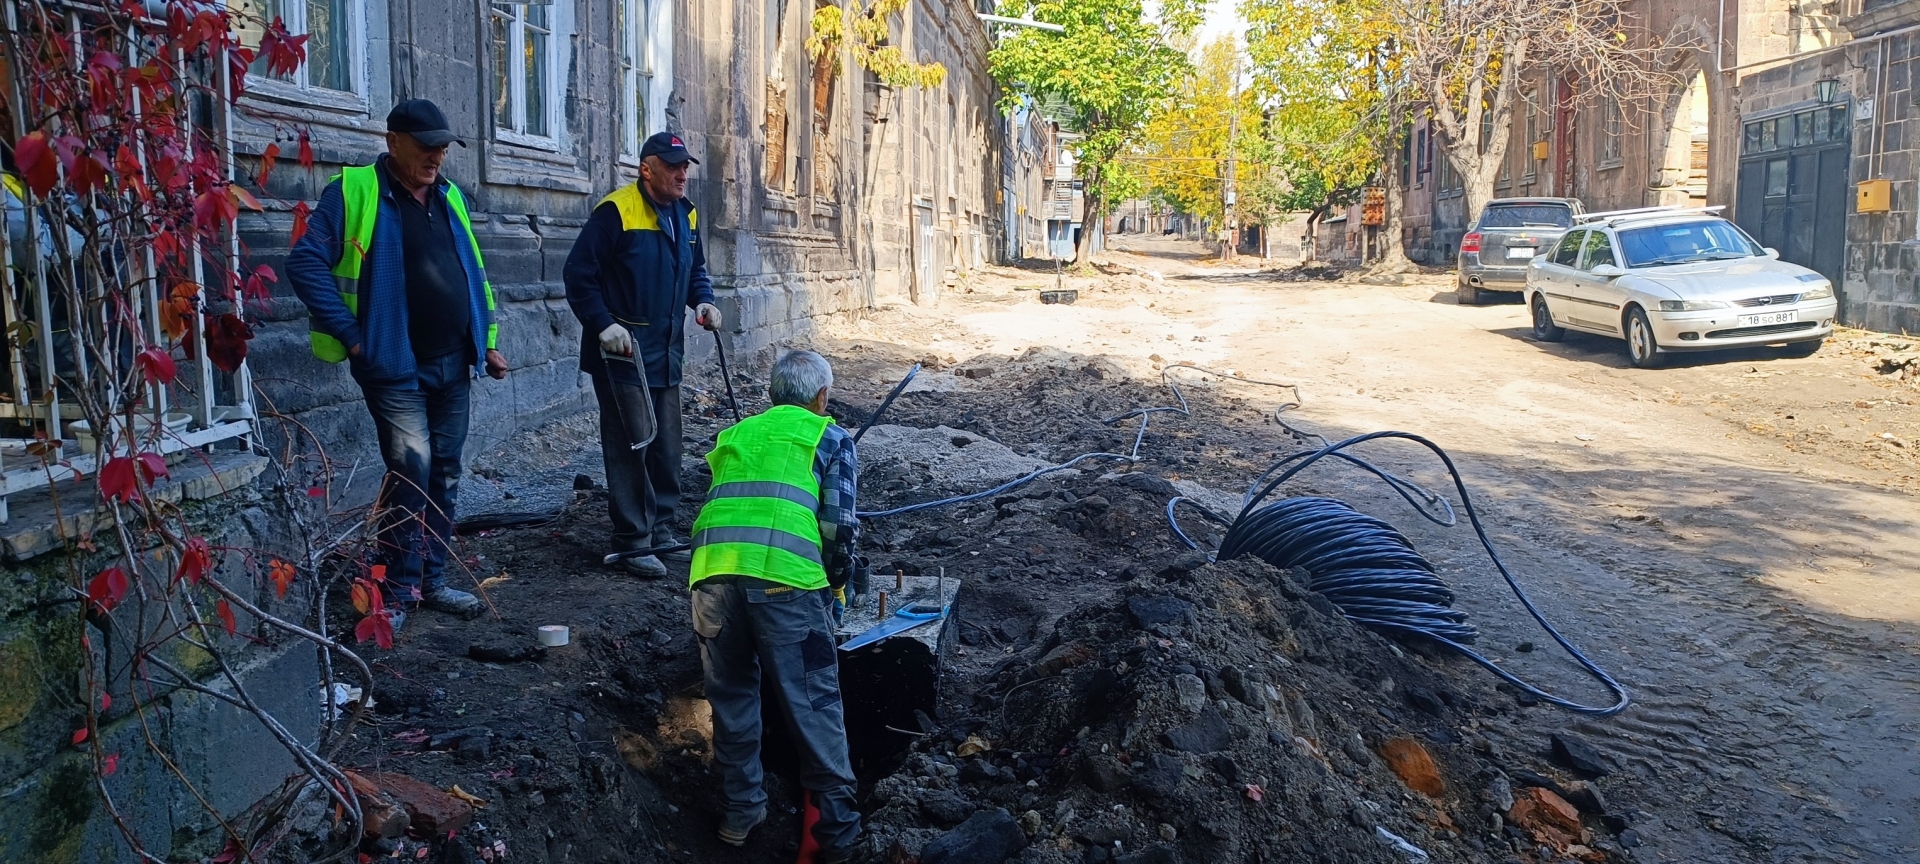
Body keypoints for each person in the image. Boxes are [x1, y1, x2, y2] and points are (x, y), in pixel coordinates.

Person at [285, 99, 509, 632]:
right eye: (426, 146)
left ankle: (431, 580)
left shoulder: (449, 195)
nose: (436, 156)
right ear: (393, 141)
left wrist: (486, 342)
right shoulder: (354, 191)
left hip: (454, 361)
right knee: (411, 471)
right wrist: (352, 337)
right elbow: (304, 262)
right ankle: (397, 589)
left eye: (442, 147)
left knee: (445, 470)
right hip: (393, 365)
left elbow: (471, 273)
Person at [687, 350, 861, 860]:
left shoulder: (736, 434)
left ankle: (740, 813)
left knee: (732, 699)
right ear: (822, 397)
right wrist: (835, 587)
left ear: (771, 395)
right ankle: (839, 836)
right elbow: (839, 527)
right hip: (787, 583)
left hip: (712, 577)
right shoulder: (830, 436)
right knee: (815, 706)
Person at [563, 131, 721, 577]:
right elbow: (578, 275)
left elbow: (695, 270)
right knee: (633, 444)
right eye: (672, 166)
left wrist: (703, 301)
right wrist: (602, 324)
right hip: (622, 354)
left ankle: (662, 530)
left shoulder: (686, 215)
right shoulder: (616, 212)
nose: (682, 174)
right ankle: (633, 540)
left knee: (667, 446)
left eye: (684, 166)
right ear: (646, 169)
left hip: (666, 353)